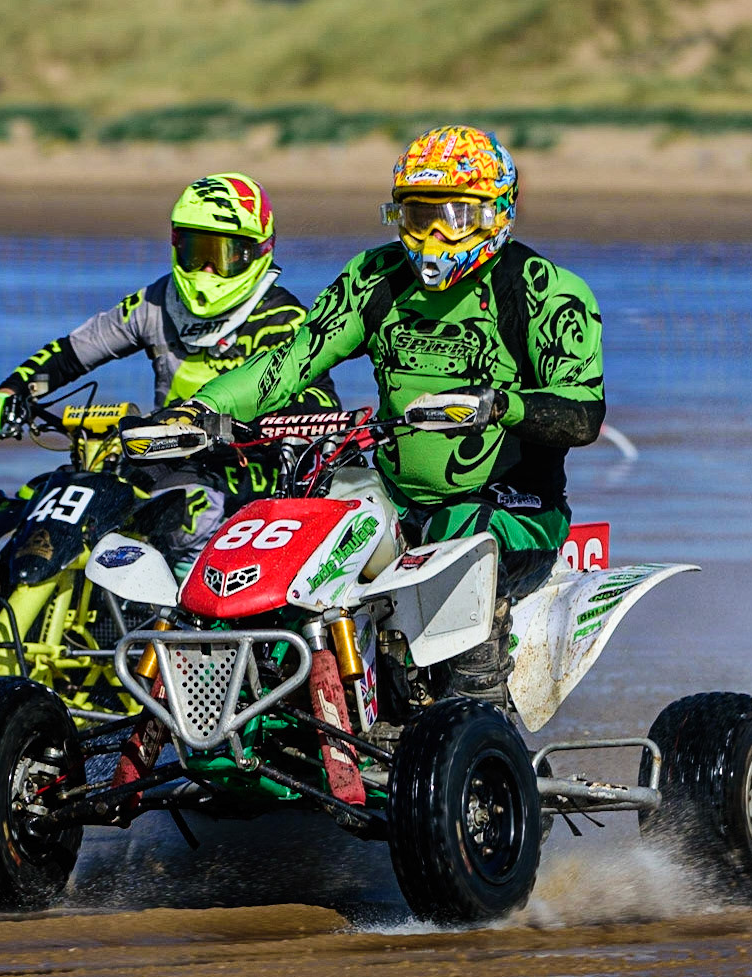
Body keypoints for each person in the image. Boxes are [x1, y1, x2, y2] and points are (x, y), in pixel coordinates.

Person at [184, 125, 605, 703]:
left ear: (497, 212)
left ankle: (478, 708)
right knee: (304, 520)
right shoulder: (375, 276)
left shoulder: (547, 290)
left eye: (455, 217)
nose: (434, 237)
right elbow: (291, 360)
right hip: (396, 498)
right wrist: (202, 408)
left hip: (515, 507)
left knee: (459, 535)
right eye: (418, 216)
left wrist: (497, 405)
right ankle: (282, 690)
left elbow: (583, 415)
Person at [0, 173, 338, 565]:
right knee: (55, 501)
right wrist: (13, 392)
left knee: (189, 512)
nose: (206, 271)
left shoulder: (283, 318)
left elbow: (323, 404)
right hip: (157, 456)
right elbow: (71, 354)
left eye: (222, 256)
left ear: (256, 253)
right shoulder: (157, 302)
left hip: (250, 466)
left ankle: (187, 597)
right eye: (196, 252)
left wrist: (233, 425)